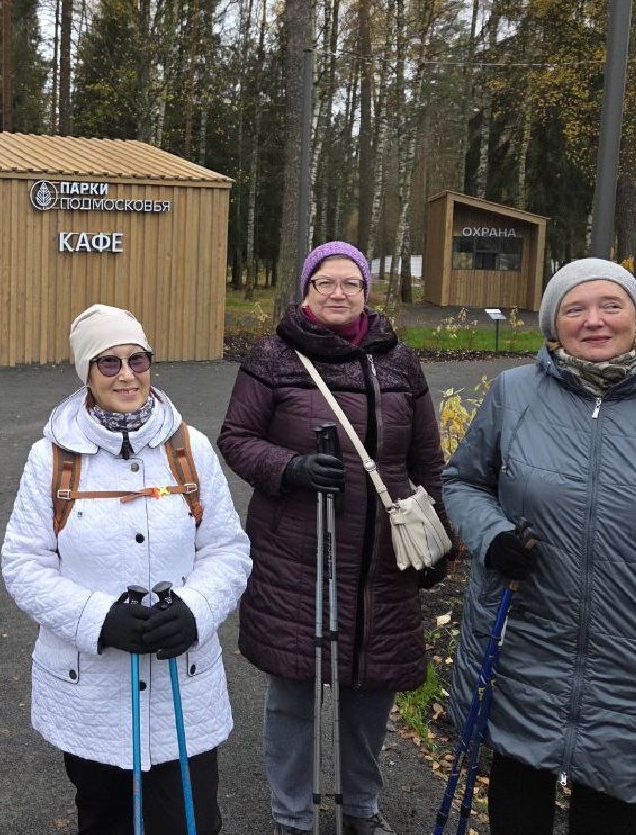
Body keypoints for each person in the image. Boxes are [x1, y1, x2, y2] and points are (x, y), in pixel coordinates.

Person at [442, 258, 636, 835]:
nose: (594, 321)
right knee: (517, 796)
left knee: (609, 811)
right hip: (526, 636)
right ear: (552, 323)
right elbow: (464, 481)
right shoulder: (516, 394)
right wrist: (492, 537)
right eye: (574, 308)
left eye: (610, 305)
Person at [218, 241, 448, 835]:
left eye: (351, 283)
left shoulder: (399, 362)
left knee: (370, 696)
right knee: (293, 696)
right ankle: (292, 817)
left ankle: (359, 810)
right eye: (326, 283)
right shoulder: (273, 356)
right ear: (307, 290)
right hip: (298, 556)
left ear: (367, 292)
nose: (339, 293)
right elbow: (237, 437)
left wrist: (440, 539)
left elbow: (428, 458)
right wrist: (289, 468)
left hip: (380, 563)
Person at [2, 304, 252, 834]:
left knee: (191, 823)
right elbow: (24, 563)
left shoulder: (191, 448)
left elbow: (228, 548)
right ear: (86, 375)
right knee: (106, 822)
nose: (127, 375)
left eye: (137, 359)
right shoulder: (51, 458)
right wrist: (97, 619)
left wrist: (195, 609)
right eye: (108, 363)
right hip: (91, 689)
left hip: (181, 682)